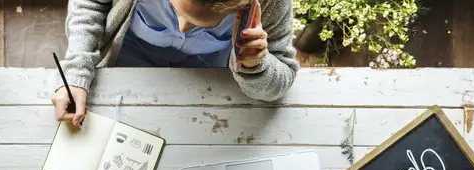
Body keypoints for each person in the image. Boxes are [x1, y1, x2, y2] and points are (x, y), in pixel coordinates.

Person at [54, 0, 299, 126]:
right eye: (176, 10)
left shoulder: (272, 3)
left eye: (201, 25)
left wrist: (257, 65)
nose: (182, 29)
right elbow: (89, 4)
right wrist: (77, 71)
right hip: (130, 51)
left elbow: (280, 80)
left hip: (213, 77)